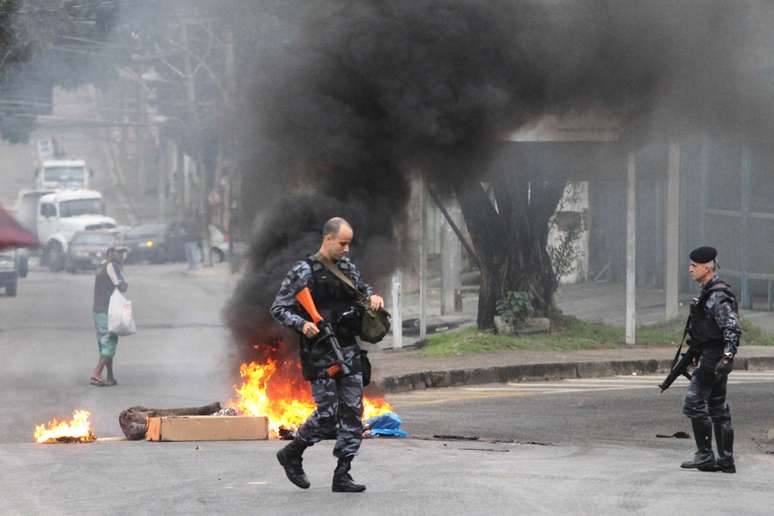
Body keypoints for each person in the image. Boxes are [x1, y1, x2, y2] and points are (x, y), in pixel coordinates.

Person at [270, 217, 384, 493]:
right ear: (328, 239)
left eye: (349, 244)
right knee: (327, 415)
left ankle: (342, 474)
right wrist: (303, 324)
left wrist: (373, 298)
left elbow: (362, 290)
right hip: (320, 352)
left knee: (353, 413)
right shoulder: (303, 270)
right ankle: (292, 452)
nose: (347, 249)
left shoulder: (346, 267)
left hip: (347, 348)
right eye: (342, 243)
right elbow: (278, 308)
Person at [681, 246, 741, 473]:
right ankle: (726, 460)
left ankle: (705, 455)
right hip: (709, 355)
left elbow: (732, 329)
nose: (690, 270)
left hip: (714, 358)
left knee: (694, 403)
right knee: (717, 406)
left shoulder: (718, 296)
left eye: (694, 266)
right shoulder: (708, 293)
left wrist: (727, 357)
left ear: (707, 267)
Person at [90, 246, 129, 387]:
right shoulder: (113, 266)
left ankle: (110, 376)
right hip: (107, 310)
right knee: (110, 343)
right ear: (110, 253)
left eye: (123, 253)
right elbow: (123, 287)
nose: (121, 255)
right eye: (118, 252)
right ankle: (96, 374)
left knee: (104, 344)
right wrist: (122, 271)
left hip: (98, 310)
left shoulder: (102, 265)